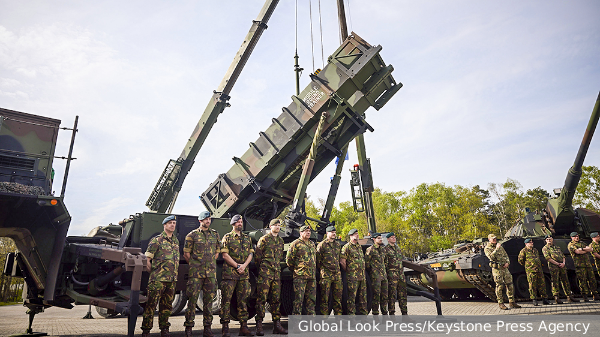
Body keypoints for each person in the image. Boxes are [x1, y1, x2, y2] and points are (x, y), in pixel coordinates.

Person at [183, 211, 221, 337]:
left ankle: (207, 328)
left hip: (210, 274)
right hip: (196, 274)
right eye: (205, 219)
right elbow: (186, 254)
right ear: (200, 221)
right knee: (192, 301)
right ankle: (188, 328)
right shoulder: (192, 235)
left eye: (209, 219)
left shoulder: (215, 234)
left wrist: (210, 263)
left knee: (208, 301)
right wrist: (195, 265)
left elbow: (217, 252)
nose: (208, 221)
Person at [141, 215, 180, 337]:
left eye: (174, 223)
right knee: (151, 306)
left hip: (171, 280)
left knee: (167, 307)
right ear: (165, 225)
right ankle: (146, 331)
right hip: (158, 280)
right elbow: (147, 260)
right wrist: (153, 274)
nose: (172, 225)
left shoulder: (175, 241)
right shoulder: (156, 240)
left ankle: (164, 329)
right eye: (170, 223)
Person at [220, 215, 255, 337]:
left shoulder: (247, 238)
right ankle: (225, 328)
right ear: (233, 224)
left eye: (241, 222)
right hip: (230, 274)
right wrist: (237, 266)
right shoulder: (227, 237)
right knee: (226, 301)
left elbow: (251, 253)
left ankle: (243, 327)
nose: (240, 223)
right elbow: (224, 255)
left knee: (243, 300)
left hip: (243, 274)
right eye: (238, 222)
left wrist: (244, 266)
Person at [254, 219, 287, 335]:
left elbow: (281, 257)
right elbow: (257, 257)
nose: (277, 227)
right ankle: (259, 325)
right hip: (265, 274)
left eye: (279, 225)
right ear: (270, 226)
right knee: (261, 299)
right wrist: (263, 269)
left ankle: (277, 325)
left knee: (276, 300)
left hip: (276, 274)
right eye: (275, 225)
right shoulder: (264, 240)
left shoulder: (280, 241)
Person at [286, 225, 317, 315]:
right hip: (300, 276)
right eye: (306, 231)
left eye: (309, 231)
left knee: (311, 301)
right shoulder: (295, 244)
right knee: (298, 301)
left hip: (311, 277)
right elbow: (289, 260)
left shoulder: (312, 244)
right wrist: (297, 270)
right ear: (300, 233)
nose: (308, 233)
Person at [484, 234, 521, 310]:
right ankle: (501, 303)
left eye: (495, 238)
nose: (494, 239)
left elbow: (506, 255)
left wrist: (507, 262)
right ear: (489, 240)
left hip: (505, 268)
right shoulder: (487, 248)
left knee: (510, 284)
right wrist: (497, 249)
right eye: (492, 239)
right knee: (499, 286)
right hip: (497, 270)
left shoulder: (500, 247)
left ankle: (512, 302)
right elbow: (491, 257)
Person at [542, 235, 578, 304]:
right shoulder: (545, 248)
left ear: (552, 239)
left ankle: (569, 296)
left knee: (565, 280)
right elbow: (548, 258)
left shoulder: (557, 247)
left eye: (550, 239)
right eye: (547, 239)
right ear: (545, 240)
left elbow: (563, 256)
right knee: (555, 282)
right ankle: (556, 297)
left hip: (562, 266)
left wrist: (563, 263)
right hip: (554, 267)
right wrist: (558, 264)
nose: (549, 240)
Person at [316, 226, 343, 315]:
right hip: (326, 276)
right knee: (325, 299)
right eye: (332, 232)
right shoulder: (322, 245)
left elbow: (339, 259)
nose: (334, 234)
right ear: (327, 233)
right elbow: (318, 260)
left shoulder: (338, 245)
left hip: (337, 275)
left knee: (338, 299)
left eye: (335, 232)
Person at [340, 228, 367, 315]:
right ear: (351, 236)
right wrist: (350, 271)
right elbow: (342, 262)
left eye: (357, 233)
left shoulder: (359, 246)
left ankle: (363, 317)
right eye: (355, 234)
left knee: (363, 298)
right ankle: (351, 317)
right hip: (352, 277)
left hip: (361, 277)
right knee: (352, 298)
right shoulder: (346, 247)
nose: (357, 235)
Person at [567, 232, 599, 301]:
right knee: (582, 281)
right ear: (571, 237)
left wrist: (581, 249)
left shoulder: (582, 243)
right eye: (575, 236)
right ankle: (585, 296)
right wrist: (584, 250)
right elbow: (578, 252)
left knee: (592, 279)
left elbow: (590, 249)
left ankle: (595, 294)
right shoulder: (571, 245)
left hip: (588, 264)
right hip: (580, 265)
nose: (577, 237)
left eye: (577, 236)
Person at [518, 238, 550, 306]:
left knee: (542, 284)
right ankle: (534, 299)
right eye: (530, 242)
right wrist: (528, 266)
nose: (532, 243)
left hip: (539, 270)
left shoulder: (535, 250)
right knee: (532, 285)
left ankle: (544, 299)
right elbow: (520, 260)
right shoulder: (523, 251)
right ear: (526, 244)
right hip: (531, 271)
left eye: (532, 242)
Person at [384, 232, 407, 315]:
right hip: (392, 276)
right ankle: (392, 314)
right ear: (388, 239)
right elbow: (385, 264)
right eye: (392, 237)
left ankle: (405, 314)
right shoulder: (385, 249)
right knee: (392, 296)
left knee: (403, 295)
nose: (394, 238)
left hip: (400, 275)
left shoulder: (398, 248)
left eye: (394, 237)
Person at [365, 233, 387, 315]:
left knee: (384, 296)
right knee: (376, 296)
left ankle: (385, 314)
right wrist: (373, 272)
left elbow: (385, 261)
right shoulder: (370, 249)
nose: (380, 239)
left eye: (381, 238)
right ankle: (375, 314)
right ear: (374, 239)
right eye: (378, 238)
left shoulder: (383, 249)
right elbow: (367, 263)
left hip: (384, 276)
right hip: (375, 276)